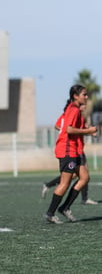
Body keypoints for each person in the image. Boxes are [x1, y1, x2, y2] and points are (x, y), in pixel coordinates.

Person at [44, 85, 97, 224]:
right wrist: (88, 131)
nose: (86, 97)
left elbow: (67, 127)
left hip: (75, 150)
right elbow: (68, 129)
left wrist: (87, 130)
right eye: (84, 95)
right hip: (67, 150)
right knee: (65, 182)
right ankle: (50, 213)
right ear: (75, 96)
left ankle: (65, 207)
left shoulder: (76, 110)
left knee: (84, 177)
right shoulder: (73, 109)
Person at [42, 105, 98, 205]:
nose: (85, 105)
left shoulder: (78, 116)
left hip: (78, 148)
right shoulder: (70, 114)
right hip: (74, 150)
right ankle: (67, 205)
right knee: (79, 176)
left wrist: (89, 132)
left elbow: (80, 129)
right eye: (83, 103)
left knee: (79, 176)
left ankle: (50, 186)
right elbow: (61, 126)